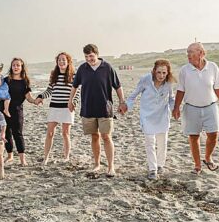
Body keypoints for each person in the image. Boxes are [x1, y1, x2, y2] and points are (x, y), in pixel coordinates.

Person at [68, 44, 127, 177]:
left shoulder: (107, 67)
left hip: (105, 108)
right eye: (86, 56)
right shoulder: (82, 69)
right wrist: (70, 100)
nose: (89, 59)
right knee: (94, 136)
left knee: (106, 136)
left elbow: (118, 86)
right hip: (88, 108)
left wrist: (122, 102)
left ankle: (111, 167)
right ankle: (97, 164)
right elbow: (75, 86)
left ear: (97, 54)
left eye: (91, 56)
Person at [172, 43, 219, 174]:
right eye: (187, 52)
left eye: (191, 52)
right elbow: (181, 90)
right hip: (191, 108)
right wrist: (176, 108)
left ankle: (208, 158)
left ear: (201, 53)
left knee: (214, 134)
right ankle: (197, 165)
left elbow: (218, 87)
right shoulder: (185, 70)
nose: (188, 55)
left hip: (211, 106)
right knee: (193, 136)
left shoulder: (213, 67)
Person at [126, 59, 176, 180]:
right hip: (147, 116)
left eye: (164, 73)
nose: (161, 76)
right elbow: (133, 95)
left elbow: (171, 98)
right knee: (150, 143)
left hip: (162, 116)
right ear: (153, 71)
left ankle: (160, 165)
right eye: (159, 72)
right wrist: (127, 106)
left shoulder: (168, 83)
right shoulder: (145, 80)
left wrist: (174, 110)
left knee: (162, 143)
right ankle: (152, 169)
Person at [34, 51, 76, 164]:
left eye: (63, 60)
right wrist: (40, 97)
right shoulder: (54, 75)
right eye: (59, 60)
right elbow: (49, 90)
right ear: (57, 62)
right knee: (50, 133)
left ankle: (66, 156)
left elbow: (77, 92)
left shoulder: (74, 76)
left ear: (68, 62)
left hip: (67, 108)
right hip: (54, 107)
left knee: (65, 133)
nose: (61, 62)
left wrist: (74, 102)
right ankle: (46, 157)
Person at [0, 57, 39, 166]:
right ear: (11, 67)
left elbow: (29, 97)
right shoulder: (6, 80)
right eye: (14, 65)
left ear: (22, 67)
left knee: (18, 134)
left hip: (17, 110)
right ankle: (10, 156)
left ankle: (22, 159)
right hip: (3, 109)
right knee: (6, 134)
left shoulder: (24, 82)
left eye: (18, 65)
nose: (16, 67)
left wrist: (35, 101)